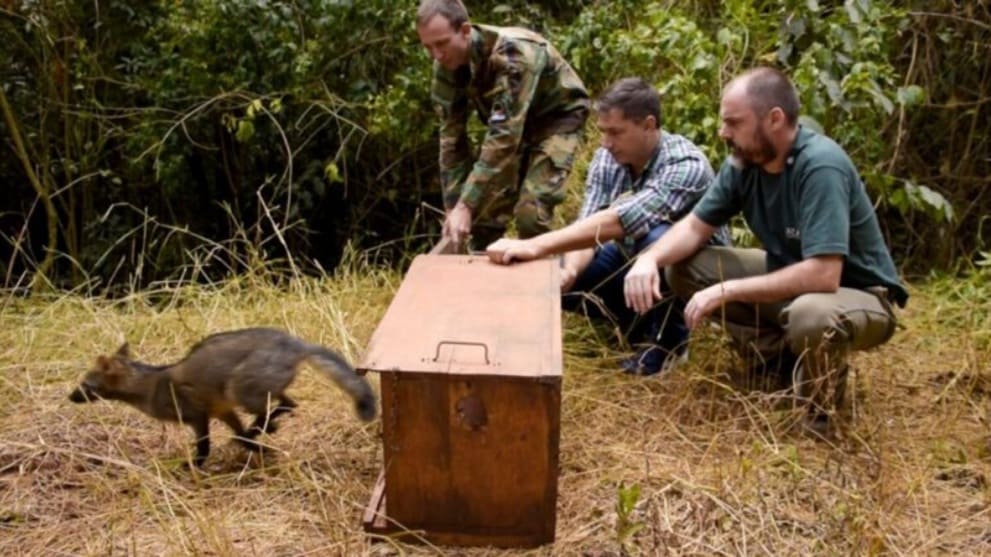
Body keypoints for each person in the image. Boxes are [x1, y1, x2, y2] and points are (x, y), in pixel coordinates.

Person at [623, 67, 908, 430]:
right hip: (791, 276)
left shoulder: (820, 165)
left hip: (855, 293)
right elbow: (695, 227)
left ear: (775, 119)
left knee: (811, 316)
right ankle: (777, 362)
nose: (722, 132)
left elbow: (824, 273)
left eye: (733, 122)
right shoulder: (744, 162)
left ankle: (819, 416)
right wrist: (649, 258)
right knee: (684, 267)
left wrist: (727, 290)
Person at [487, 77, 727, 376]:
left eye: (615, 132)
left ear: (649, 125)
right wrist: (570, 272)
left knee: (655, 238)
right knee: (553, 270)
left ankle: (670, 344)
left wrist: (535, 243)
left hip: (692, 274)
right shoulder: (609, 157)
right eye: (603, 132)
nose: (605, 143)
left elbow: (622, 220)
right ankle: (636, 323)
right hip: (634, 260)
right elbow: (591, 224)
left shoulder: (685, 164)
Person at [416, 0, 590, 250]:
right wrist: (454, 207)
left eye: (442, 43)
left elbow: (505, 137)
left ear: (465, 31)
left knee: (531, 214)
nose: (437, 55)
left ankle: (542, 281)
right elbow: (451, 138)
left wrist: (466, 204)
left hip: (557, 119)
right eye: (428, 47)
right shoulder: (446, 67)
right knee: (484, 215)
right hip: (512, 126)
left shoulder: (515, 55)